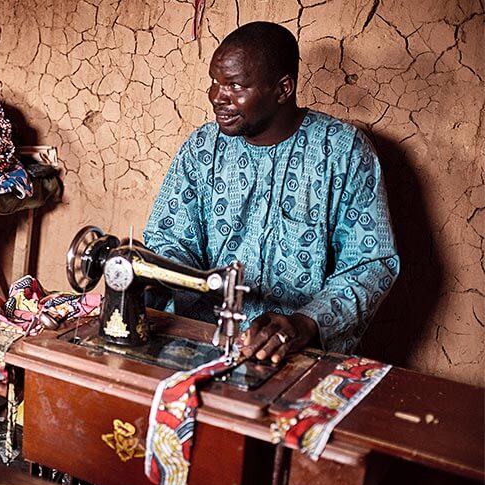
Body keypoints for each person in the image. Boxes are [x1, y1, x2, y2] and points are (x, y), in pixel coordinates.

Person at [143, 21, 399, 363]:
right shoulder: (202, 148)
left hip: (300, 352)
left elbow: (370, 264)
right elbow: (171, 241)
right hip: (205, 341)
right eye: (215, 82)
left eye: (235, 85)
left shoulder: (343, 151)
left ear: (283, 89)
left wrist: (306, 323)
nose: (218, 97)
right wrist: (154, 281)